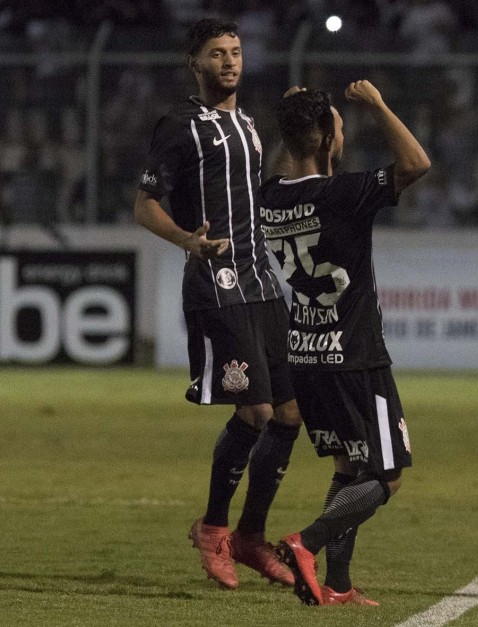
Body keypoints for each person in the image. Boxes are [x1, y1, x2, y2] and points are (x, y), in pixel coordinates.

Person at [133, 18, 300, 590]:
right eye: (217, 54)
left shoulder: (249, 127)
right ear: (195, 64)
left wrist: (298, 127)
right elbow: (145, 204)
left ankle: (251, 537)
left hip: (262, 283)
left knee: (289, 413)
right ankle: (213, 528)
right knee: (253, 412)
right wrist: (187, 240)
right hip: (218, 284)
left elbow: (249, 194)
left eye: (235, 52)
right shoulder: (180, 125)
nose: (230, 62)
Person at [258, 83, 430, 606]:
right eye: (339, 125)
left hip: (305, 356)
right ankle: (305, 542)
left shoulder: (269, 196)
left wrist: (295, 118)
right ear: (329, 138)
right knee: (388, 475)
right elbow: (417, 163)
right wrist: (379, 105)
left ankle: (337, 584)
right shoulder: (343, 193)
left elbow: (280, 160)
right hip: (355, 357)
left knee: (348, 467)